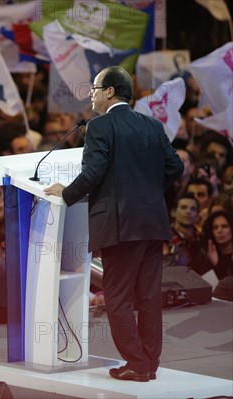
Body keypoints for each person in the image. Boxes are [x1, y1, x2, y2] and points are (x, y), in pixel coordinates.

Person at [44, 66, 183, 382]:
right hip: (151, 222)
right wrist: (145, 191)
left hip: (120, 225)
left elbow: (93, 173)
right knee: (148, 297)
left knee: (118, 297)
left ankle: (137, 363)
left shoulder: (99, 126)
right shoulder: (151, 125)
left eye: (94, 87)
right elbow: (176, 167)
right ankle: (149, 362)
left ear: (109, 91)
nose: (90, 93)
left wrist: (66, 194)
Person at [203, 210, 233, 281]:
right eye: (215, 227)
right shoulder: (209, 255)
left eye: (224, 226)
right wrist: (215, 265)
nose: (219, 231)